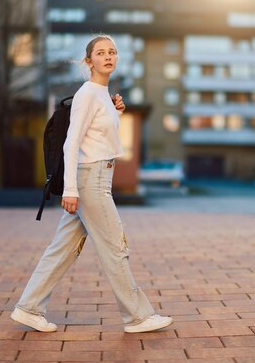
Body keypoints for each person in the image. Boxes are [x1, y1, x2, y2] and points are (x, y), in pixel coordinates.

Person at [11, 34, 173, 333]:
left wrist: (116, 111)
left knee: (62, 249)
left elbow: (98, 138)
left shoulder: (102, 95)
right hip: (90, 181)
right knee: (115, 247)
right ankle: (137, 317)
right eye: (100, 53)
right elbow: (71, 144)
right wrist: (71, 189)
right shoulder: (88, 93)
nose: (108, 56)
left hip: (97, 178)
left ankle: (28, 308)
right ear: (89, 62)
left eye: (112, 52)